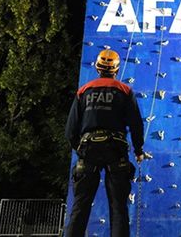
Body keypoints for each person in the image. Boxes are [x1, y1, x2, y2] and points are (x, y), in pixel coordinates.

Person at [65, 49, 144, 237]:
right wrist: (138, 149)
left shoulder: (83, 91)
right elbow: (135, 123)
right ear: (117, 69)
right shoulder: (125, 90)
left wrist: (81, 150)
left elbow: (70, 130)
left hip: (88, 149)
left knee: (80, 207)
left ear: (97, 67)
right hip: (116, 150)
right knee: (118, 208)